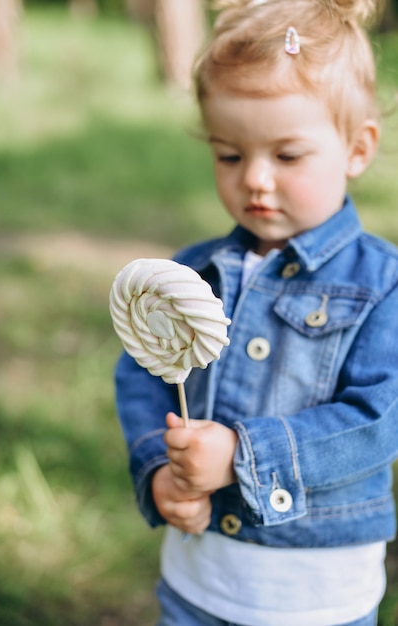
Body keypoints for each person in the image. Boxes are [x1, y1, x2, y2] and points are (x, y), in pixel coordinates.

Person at [115, 0, 398, 624]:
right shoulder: (192, 276)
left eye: (288, 156)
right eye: (230, 155)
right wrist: (159, 466)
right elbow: (142, 373)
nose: (256, 181)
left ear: (357, 148)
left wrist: (245, 453)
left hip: (319, 592)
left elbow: (378, 421)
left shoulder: (382, 285)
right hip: (200, 582)